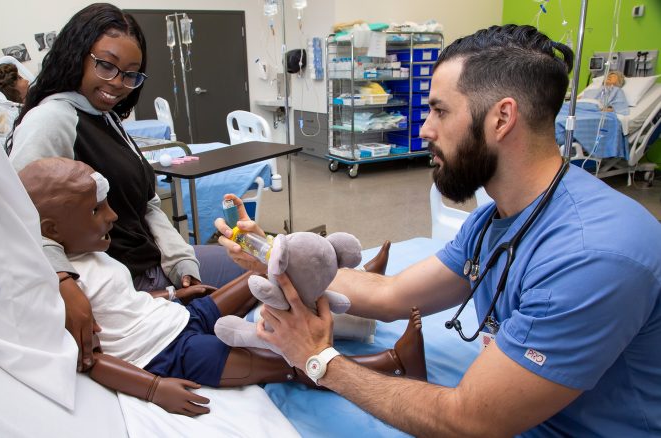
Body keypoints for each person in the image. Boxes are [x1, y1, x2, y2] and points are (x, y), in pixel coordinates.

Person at [216, 25, 661, 436]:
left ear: (502, 119)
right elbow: (392, 297)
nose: (424, 128)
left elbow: (469, 420)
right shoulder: (496, 220)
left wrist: (319, 360)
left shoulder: (592, 256)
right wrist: (273, 250)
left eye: (439, 111)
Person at [18, 156, 428, 415]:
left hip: (179, 315)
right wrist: (154, 388)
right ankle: (390, 362)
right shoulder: (56, 285)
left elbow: (120, 300)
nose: (111, 216)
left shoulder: (88, 253)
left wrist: (172, 294)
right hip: (170, 355)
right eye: (96, 209)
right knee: (286, 362)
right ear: (51, 230)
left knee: (260, 275)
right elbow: (88, 360)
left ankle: (338, 268)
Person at [6, 3, 246, 372]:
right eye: (107, 65)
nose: (118, 82)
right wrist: (63, 281)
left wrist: (182, 263)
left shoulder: (105, 118)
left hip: (156, 266)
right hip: (123, 283)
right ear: (76, 56)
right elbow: (19, 217)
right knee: (267, 277)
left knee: (266, 269)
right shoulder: (52, 120)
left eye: (131, 75)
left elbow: (148, 204)